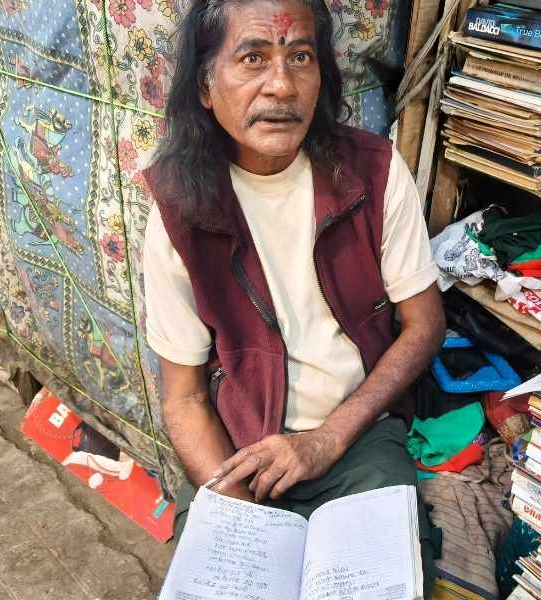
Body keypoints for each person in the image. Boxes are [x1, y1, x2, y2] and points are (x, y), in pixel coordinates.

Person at [141, 0, 444, 594]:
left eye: (300, 57)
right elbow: (183, 402)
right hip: (241, 447)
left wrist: (326, 440)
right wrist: (239, 510)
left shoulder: (374, 173)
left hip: (357, 437)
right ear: (206, 86)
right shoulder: (181, 211)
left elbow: (424, 326)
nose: (281, 85)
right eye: (252, 57)